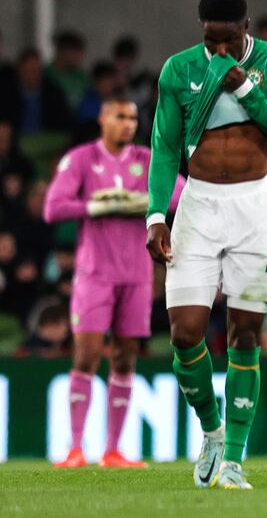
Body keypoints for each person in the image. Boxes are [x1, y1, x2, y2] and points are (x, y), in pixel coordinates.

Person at [146, 0, 267, 490]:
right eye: (210, 40)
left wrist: (244, 89)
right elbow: (165, 146)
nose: (218, 51)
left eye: (228, 40)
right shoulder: (178, 70)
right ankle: (211, 430)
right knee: (184, 334)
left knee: (245, 335)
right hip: (197, 206)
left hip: (255, 209)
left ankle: (234, 459)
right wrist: (156, 214)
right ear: (202, 30)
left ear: (246, 28)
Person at [44, 96, 184, 468]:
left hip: (136, 275)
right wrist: (95, 206)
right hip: (94, 275)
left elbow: (182, 193)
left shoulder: (146, 160)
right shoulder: (82, 159)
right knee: (87, 354)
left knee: (125, 358)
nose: (129, 124)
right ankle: (75, 448)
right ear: (103, 119)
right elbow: (53, 207)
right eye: (121, 116)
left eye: (134, 118)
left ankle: (113, 450)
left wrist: (146, 201)